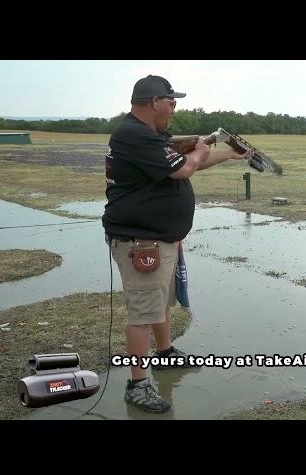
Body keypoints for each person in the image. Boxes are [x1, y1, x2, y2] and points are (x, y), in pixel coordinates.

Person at [102, 75, 250, 413]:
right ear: (153, 101)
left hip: (158, 238)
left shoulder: (153, 135)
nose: (174, 106)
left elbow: (189, 164)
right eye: (170, 100)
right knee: (142, 312)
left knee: (160, 303)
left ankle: (166, 353)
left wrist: (227, 154)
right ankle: (137, 384)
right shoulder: (135, 136)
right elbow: (184, 169)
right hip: (140, 241)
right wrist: (200, 150)